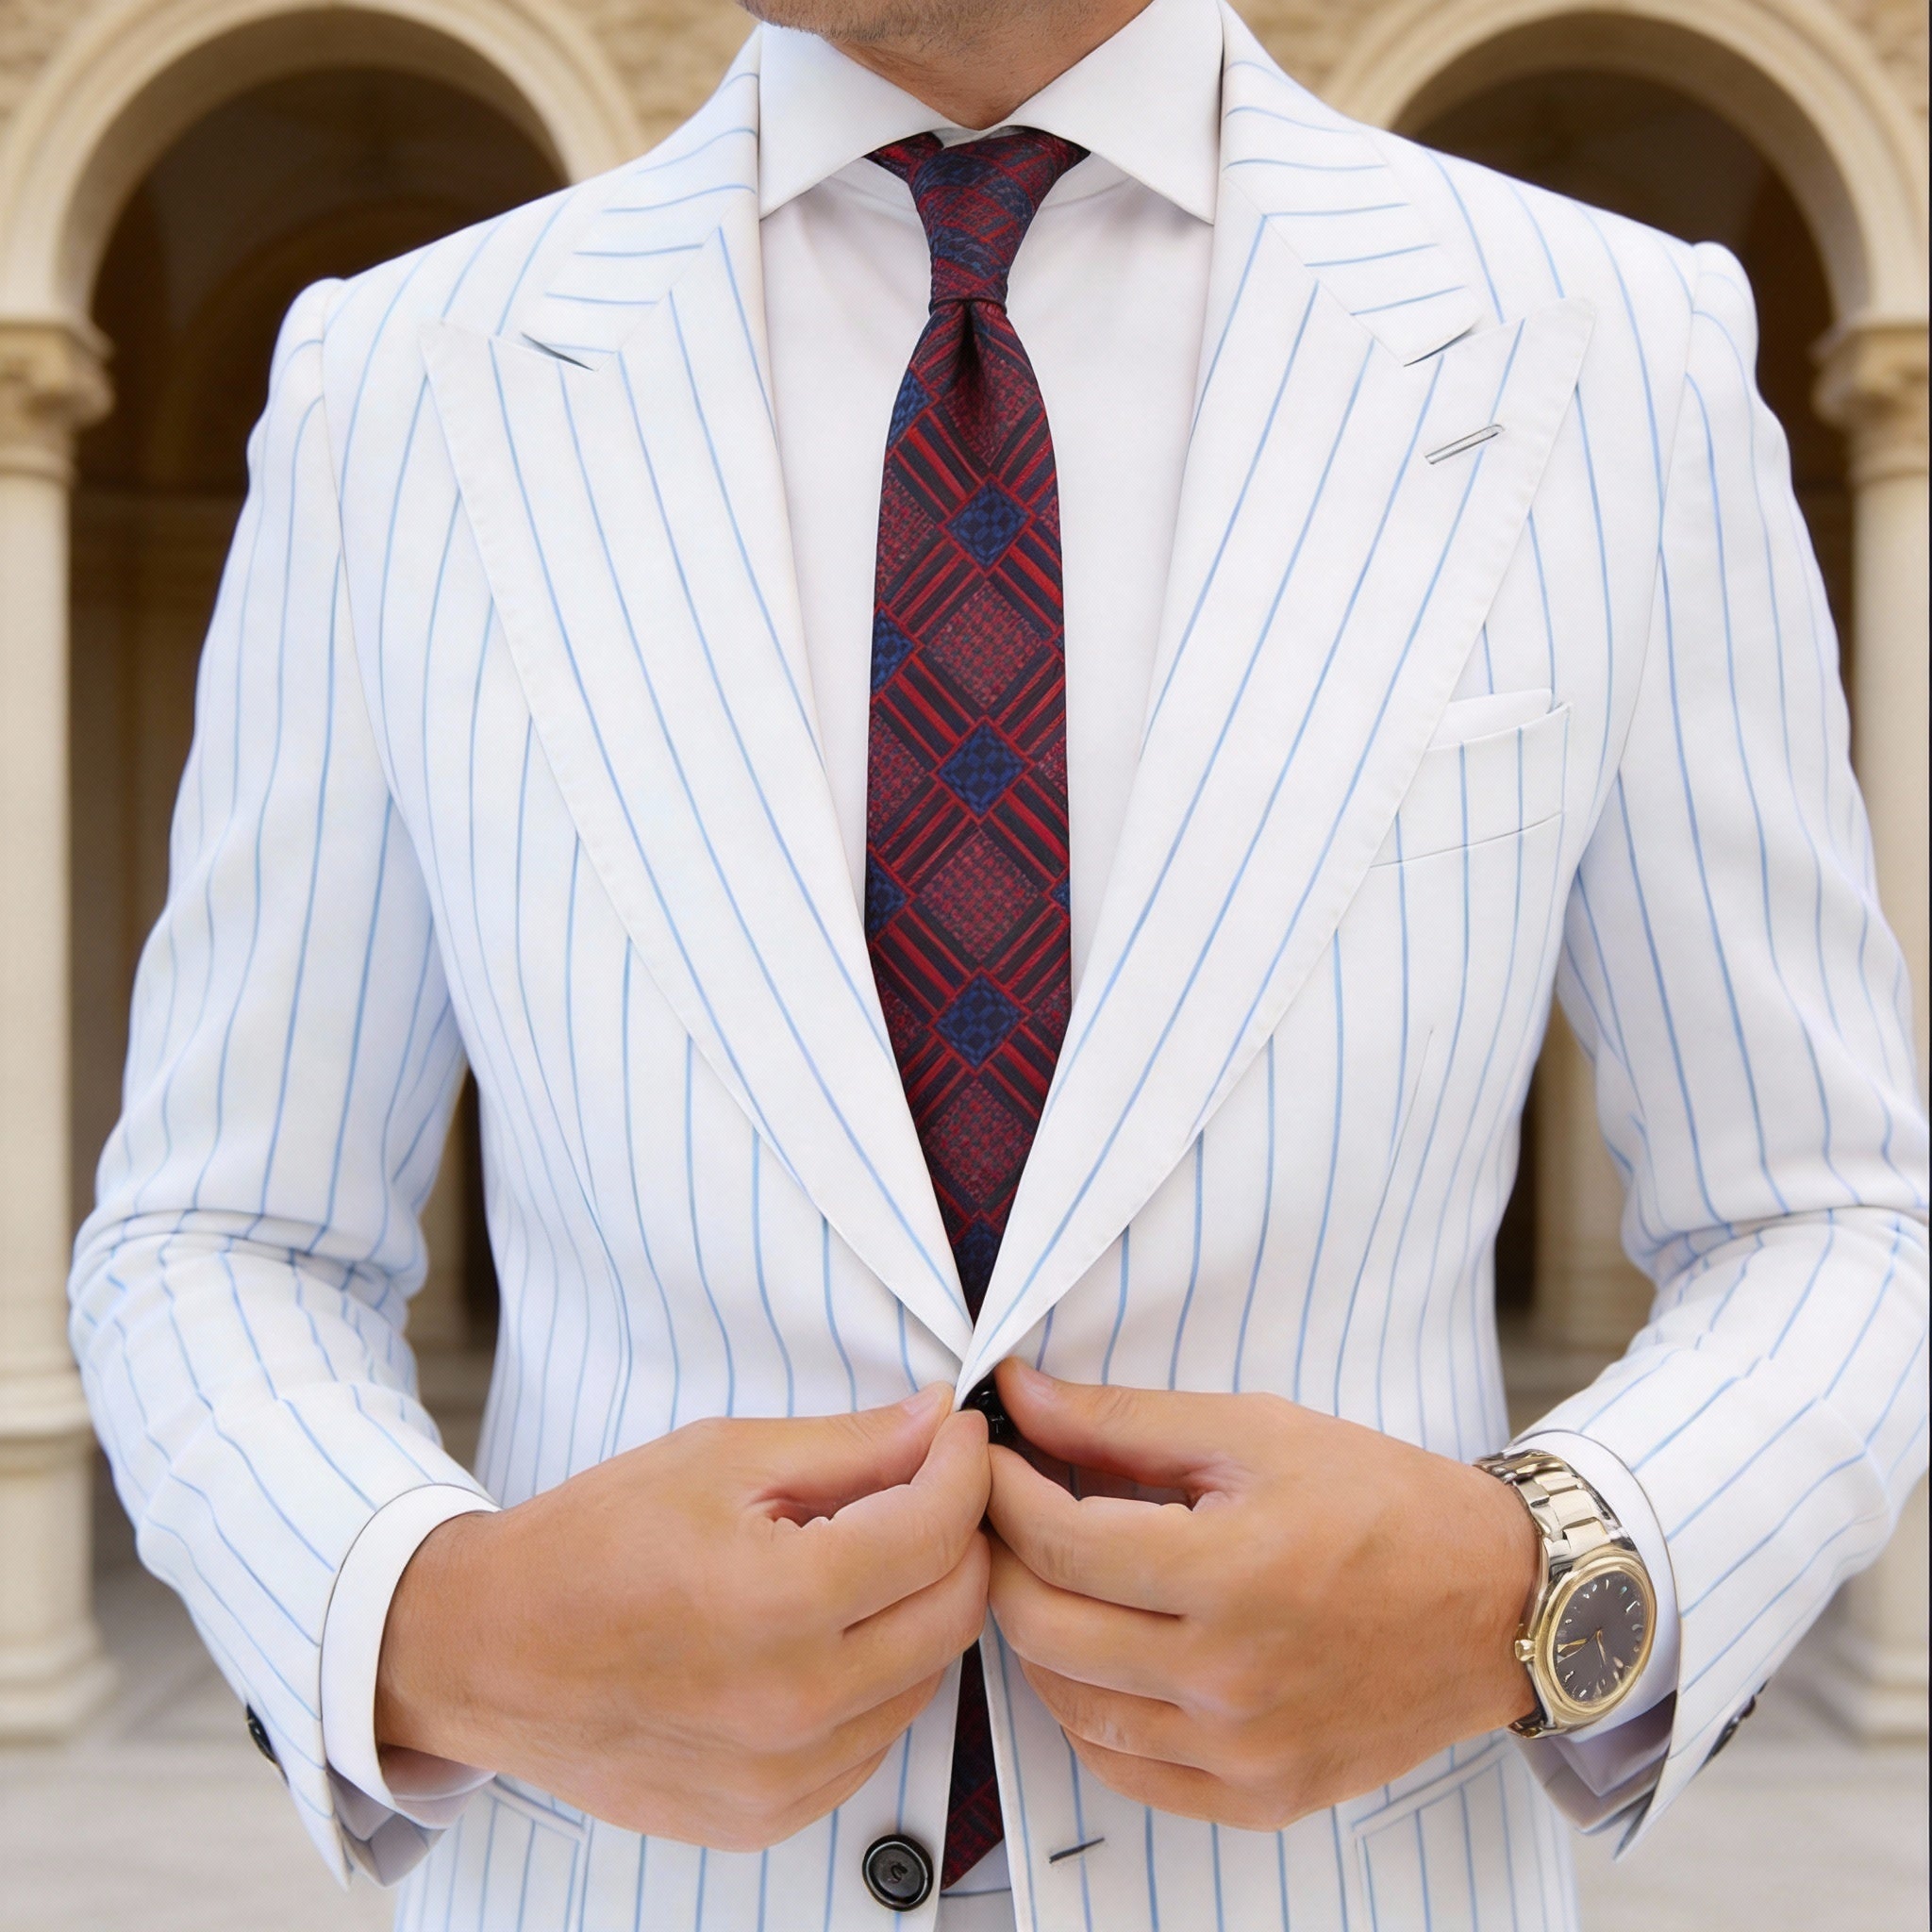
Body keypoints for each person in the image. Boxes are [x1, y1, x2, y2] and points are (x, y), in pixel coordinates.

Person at [70, 0, 1927, 1925]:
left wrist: (1532, 1585)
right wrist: (433, 1623)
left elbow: (1826, 1214)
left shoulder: (1611, 352)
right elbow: (222, 1235)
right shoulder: (401, 382)